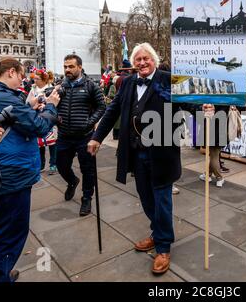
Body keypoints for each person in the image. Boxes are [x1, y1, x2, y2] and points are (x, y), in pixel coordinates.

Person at [88, 43, 181, 275]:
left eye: (145, 58)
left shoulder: (169, 79)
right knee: (146, 197)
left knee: (162, 200)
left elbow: (192, 101)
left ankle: (163, 246)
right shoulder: (129, 82)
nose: (141, 63)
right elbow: (113, 111)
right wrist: (97, 137)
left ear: (155, 60)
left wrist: (207, 109)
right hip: (136, 153)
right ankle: (157, 232)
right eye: (137, 59)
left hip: (162, 152)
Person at [0, 57, 60, 282]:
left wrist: (27, 108)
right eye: (21, 74)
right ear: (11, 72)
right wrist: (51, 106)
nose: (23, 79)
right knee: (8, 236)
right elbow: (39, 127)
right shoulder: (3, 97)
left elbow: (9, 120)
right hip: (12, 173)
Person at [55, 54, 106, 217]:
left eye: (71, 66)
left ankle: (86, 198)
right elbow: (53, 105)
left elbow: (101, 107)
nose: (67, 70)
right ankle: (72, 181)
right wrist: (56, 116)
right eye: (65, 67)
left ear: (79, 67)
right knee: (61, 165)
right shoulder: (60, 86)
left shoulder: (91, 85)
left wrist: (89, 122)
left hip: (84, 136)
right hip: (64, 135)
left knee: (88, 170)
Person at [27, 69, 58, 175]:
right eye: (34, 78)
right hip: (37, 117)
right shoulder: (33, 89)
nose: (35, 80)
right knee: (40, 143)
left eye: (37, 79)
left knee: (52, 143)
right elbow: (28, 102)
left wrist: (47, 105)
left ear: (44, 80)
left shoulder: (50, 88)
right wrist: (34, 104)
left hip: (49, 116)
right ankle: (41, 164)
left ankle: (53, 164)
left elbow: (56, 102)